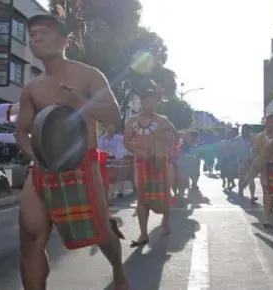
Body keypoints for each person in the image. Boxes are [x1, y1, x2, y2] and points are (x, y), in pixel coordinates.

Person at [15, 14, 128, 289]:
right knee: (30, 237)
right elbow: (22, 131)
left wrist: (78, 101)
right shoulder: (32, 87)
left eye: (42, 32)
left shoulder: (88, 74)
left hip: (82, 164)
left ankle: (118, 271)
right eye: (32, 35)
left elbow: (113, 115)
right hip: (43, 167)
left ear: (64, 40)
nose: (36, 38)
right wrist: (36, 157)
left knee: (100, 233)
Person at [123, 80, 175, 247]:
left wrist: (159, 152)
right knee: (142, 199)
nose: (150, 104)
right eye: (147, 101)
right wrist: (140, 152)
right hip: (141, 164)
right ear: (143, 102)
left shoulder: (163, 121)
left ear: (157, 103)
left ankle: (166, 222)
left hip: (159, 164)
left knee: (164, 196)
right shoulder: (132, 121)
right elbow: (127, 142)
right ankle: (143, 233)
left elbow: (170, 142)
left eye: (153, 102)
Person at [234, 124, 257, 203]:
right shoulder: (237, 139)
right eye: (243, 130)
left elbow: (256, 149)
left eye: (246, 130)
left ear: (249, 130)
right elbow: (234, 150)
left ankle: (252, 196)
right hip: (242, 161)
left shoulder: (253, 139)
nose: (245, 131)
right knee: (241, 178)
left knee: (251, 179)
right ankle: (240, 190)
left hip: (251, 162)